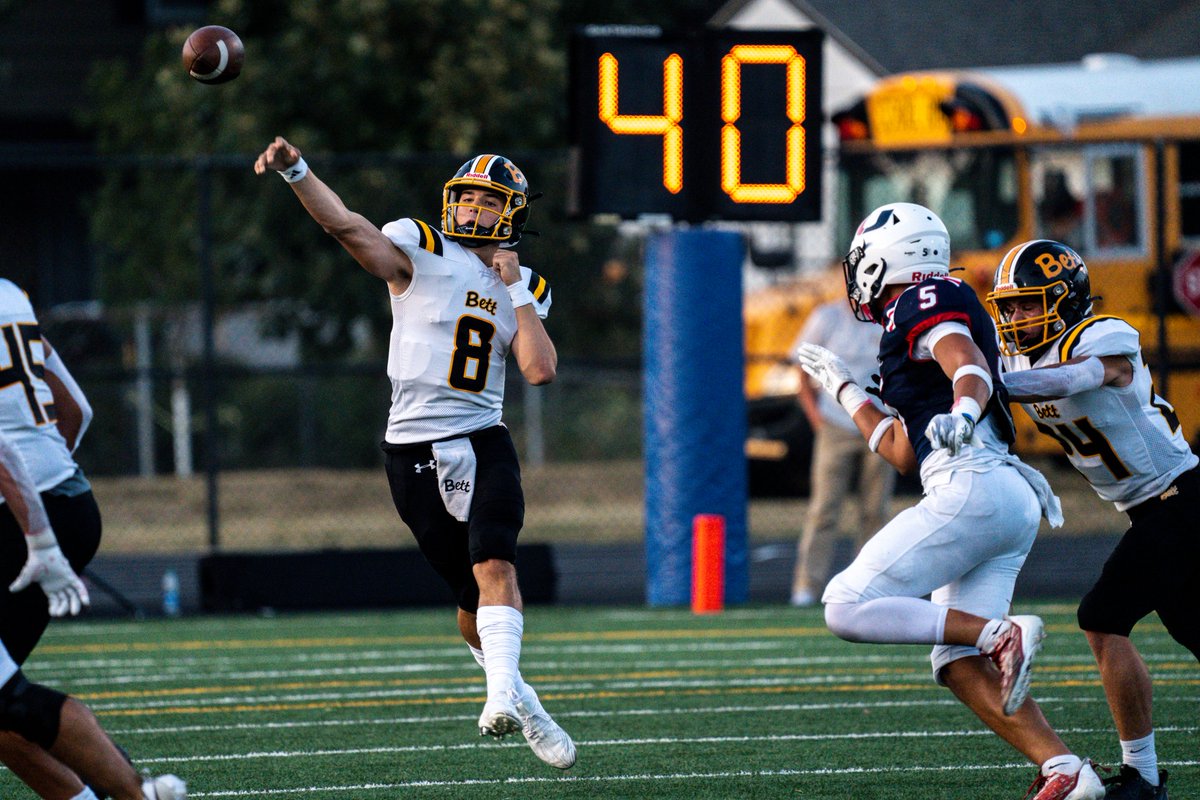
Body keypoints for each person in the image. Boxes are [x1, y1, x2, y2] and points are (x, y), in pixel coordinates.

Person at [254, 138, 575, 770]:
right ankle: (524, 702)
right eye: (469, 197)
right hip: (411, 449)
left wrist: (515, 290)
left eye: (490, 202)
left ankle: (498, 699)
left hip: (484, 438)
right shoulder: (422, 248)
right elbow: (346, 227)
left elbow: (539, 370)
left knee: (496, 564)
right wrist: (298, 171)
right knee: (467, 600)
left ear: (511, 214)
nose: (476, 210)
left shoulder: (529, 283)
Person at [795, 203, 1103, 800]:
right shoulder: (904, 319)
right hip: (999, 497)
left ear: (888, 260)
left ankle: (999, 633)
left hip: (973, 483)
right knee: (955, 663)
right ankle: (1068, 770)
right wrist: (843, 387)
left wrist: (964, 409)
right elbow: (902, 454)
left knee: (844, 605)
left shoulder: (926, 297)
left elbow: (966, 363)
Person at [987, 239, 1197, 800]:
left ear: (1064, 298)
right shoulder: (1016, 359)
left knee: (1101, 617)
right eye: (1008, 307)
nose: (1015, 318)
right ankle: (1144, 777)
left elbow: (1071, 380)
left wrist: (990, 384)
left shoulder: (1101, 335)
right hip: (1149, 510)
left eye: (1028, 304)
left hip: (1180, 498)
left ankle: (1144, 777)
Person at [0, 279, 187, 799]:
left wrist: (37, 529)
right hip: (63, 501)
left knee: (5, 694)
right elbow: (77, 408)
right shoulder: (10, 294)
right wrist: (52, 478)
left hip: (27, 514)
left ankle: (134, 794)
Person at [790, 297, 895, 607]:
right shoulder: (828, 316)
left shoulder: (888, 316)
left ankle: (868, 584)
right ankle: (806, 586)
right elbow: (801, 369)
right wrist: (817, 420)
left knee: (875, 510)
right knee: (824, 509)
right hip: (836, 424)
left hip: (879, 424)